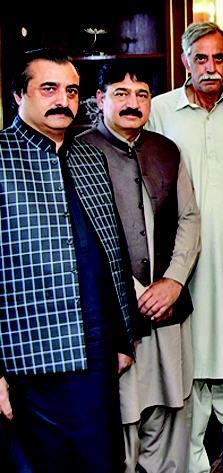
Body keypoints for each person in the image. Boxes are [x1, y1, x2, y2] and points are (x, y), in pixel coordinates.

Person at [0, 48, 138, 472]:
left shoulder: (89, 157)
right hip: (27, 358)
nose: (63, 100)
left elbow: (112, 248)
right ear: (18, 95)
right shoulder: (1, 156)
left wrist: (123, 338)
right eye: (49, 89)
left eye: (72, 91)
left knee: (103, 461)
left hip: (95, 351)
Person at [147, 21, 223, 473]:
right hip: (184, 268)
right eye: (201, 58)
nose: (211, 67)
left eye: (219, 58)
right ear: (185, 61)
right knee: (188, 366)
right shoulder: (160, 110)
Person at [78, 61, 201, 473]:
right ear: (100, 99)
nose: (133, 103)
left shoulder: (166, 150)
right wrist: (135, 291)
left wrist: (174, 281)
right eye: (121, 94)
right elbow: (82, 238)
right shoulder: (77, 153)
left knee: (170, 416)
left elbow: (189, 218)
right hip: (114, 320)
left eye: (142, 95)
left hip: (168, 310)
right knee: (120, 422)